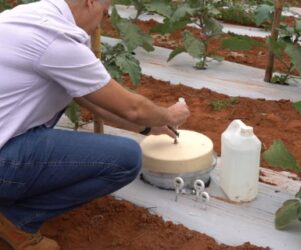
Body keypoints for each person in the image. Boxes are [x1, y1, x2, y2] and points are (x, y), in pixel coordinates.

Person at [0, 0, 190, 249]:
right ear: (90, 2)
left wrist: (147, 128)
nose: (100, 23)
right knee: (126, 159)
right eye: (103, 12)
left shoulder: (27, 16)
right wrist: (168, 115)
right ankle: (16, 222)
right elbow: (133, 108)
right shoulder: (55, 38)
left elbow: (91, 99)